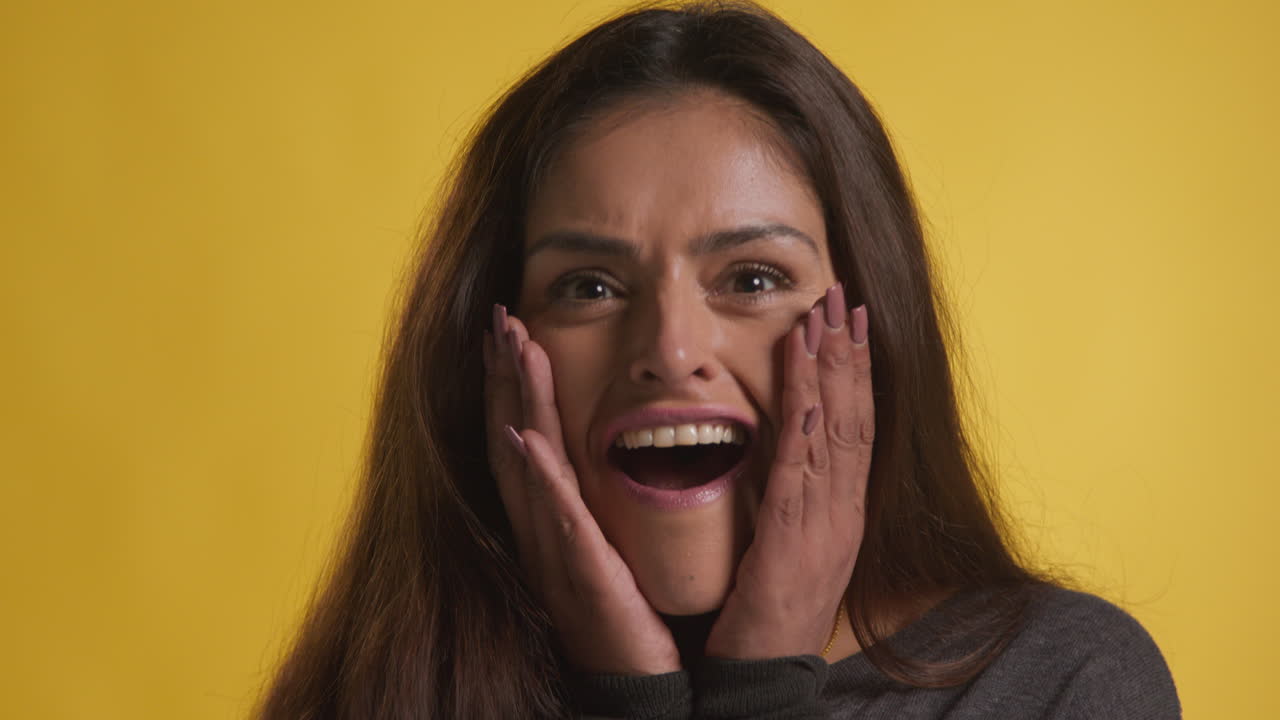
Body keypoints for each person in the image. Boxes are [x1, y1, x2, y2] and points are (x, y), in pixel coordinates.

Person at [255, 2, 1180, 718]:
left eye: (750, 276)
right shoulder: (369, 693)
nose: (669, 351)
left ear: (872, 323)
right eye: (588, 287)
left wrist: (761, 688)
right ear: (489, 352)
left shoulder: (1064, 682)